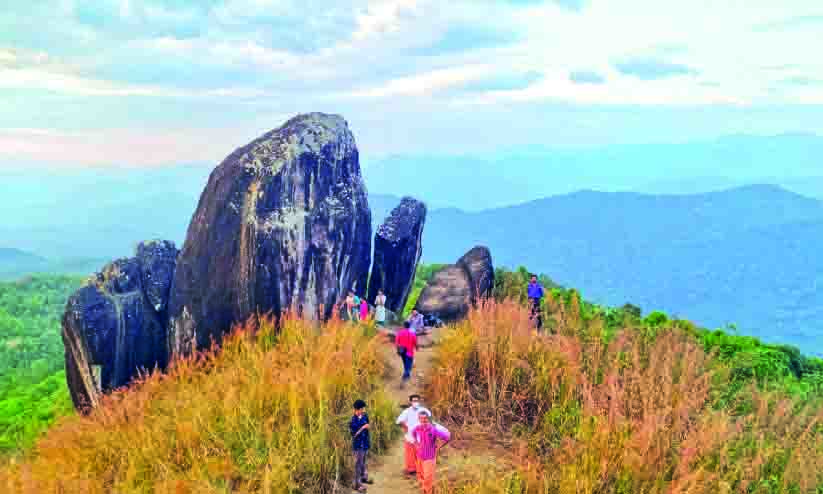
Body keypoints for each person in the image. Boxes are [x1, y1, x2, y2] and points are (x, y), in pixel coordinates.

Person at [411, 410, 450, 494]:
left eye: (425, 418)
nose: (423, 420)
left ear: (428, 419)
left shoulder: (433, 429)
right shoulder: (418, 428)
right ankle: (425, 490)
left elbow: (447, 437)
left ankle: (428, 491)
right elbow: (413, 433)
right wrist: (416, 443)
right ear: (419, 419)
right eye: (421, 418)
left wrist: (439, 447)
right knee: (421, 476)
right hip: (420, 456)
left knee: (428, 478)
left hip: (430, 458)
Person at [396, 395, 430, 477]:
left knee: (420, 453)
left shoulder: (424, 410)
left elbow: (429, 418)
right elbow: (399, 421)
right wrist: (405, 427)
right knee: (410, 454)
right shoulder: (407, 411)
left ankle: (420, 470)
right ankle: (411, 470)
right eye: (414, 401)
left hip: (421, 435)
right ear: (411, 402)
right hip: (410, 436)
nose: (415, 402)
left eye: (417, 400)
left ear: (419, 401)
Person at [350, 399, 372, 491]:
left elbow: (368, 425)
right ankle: (357, 484)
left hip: (365, 443)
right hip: (358, 445)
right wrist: (363, 427)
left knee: (363, 462)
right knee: (357, 465)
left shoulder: (365, 416)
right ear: (356, 410)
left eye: (364, 409)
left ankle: (364, 478)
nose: (363, 411)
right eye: (362, 409)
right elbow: (354, 434)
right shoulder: (353, 421)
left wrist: (368, 427)